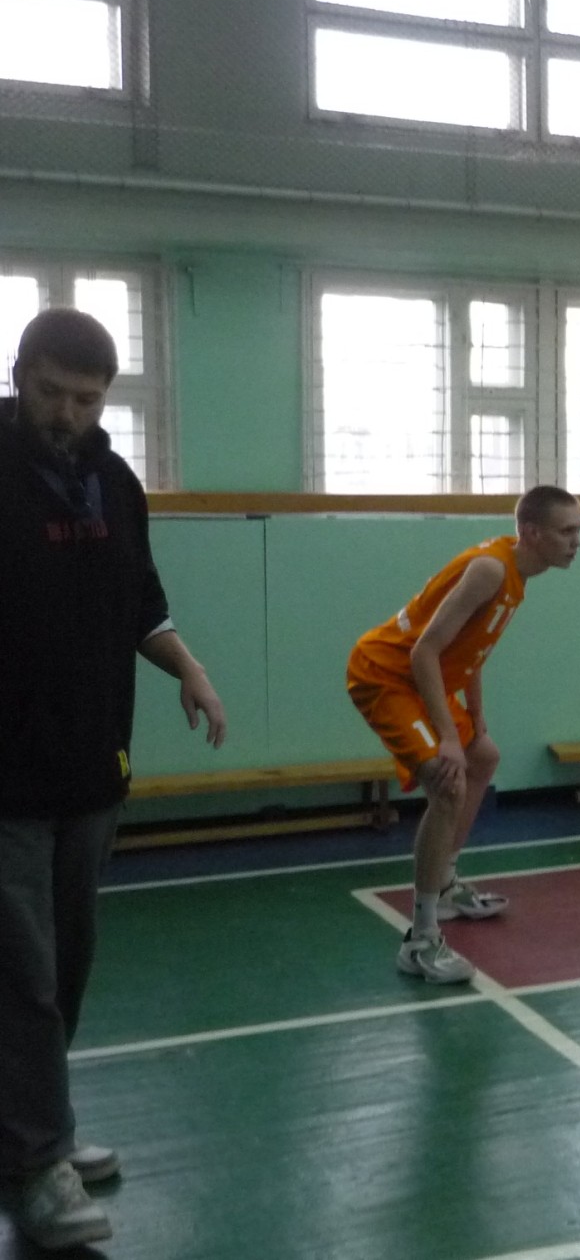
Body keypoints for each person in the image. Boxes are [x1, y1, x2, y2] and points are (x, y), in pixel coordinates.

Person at [1, 309, 226, 1251]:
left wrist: (190, 669)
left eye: (85, 399)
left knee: (69, 962)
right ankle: (35, 1160)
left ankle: (32, 1127)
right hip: (5, 778)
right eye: (50, 391)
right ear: (18, 374)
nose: (66, 412)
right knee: (21, 972)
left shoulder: (115, 482)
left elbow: (143, 602)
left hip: (94, 763)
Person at [348, 486, 580, 982]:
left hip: (421, 679)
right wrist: (448, 739)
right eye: (567, 531)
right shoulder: (491, 570)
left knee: (484, 755)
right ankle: (420, 939)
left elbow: (469, 651)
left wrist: (476, 721)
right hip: (385, 675)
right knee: (447, 781)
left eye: (578, 530)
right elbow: (424, 651)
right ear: (532, 533)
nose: (576, 541)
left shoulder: (516, 576)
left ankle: (446, 883)